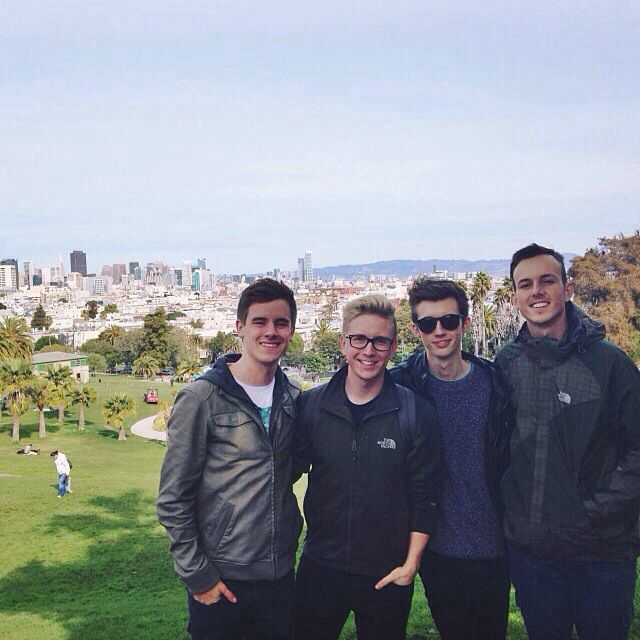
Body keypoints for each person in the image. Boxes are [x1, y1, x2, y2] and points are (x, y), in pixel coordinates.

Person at [496, 243, 640, 640]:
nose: (537, 291)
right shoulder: (507, 362)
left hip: (601, 551)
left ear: (568, 288)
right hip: (532, 552)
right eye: (525, 284)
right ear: (514, 297)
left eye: (547, 280)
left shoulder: (610, 364)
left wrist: (591, 513)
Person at [157, 278, 302, 640]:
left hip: (280, 575)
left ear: (291, 330)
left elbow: (288, 469)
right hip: (221, 579)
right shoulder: (201, 399)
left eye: (280, 323)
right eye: (259, 321)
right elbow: (173, 498)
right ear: (239, 327)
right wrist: (198, 577)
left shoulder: (295, 398)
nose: (271, 331)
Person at [294, 295, 441, 640]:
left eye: (380, 341)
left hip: (386, 571)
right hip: (320, 565)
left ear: (392, 348)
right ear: (344, 343)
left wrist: (411, 565)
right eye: (359, 339)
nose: (368, 350)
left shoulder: (415, 413)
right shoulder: (311, 406)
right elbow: (282, 472)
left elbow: (426, 495)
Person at [389, 278, 512, 640]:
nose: (439, 331)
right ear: (416, 329)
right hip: (437, 548)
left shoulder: (496, 383)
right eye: (428, 323)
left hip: (496, 544)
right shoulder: (401, 387)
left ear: (466, 322)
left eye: (449, 321)